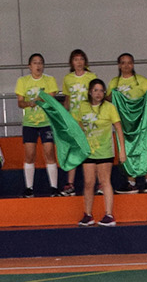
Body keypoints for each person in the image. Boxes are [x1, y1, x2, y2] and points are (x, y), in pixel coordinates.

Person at [72, 78, 123, 227]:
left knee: (105, 181)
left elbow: (118, 128)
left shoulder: (109, 107)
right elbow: (76, 123)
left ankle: (109, 215)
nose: (99, 93)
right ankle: (88, 214)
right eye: (95, 90)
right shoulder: (83, 106)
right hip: (88, 151)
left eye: (101, 91)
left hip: (105, 151)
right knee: (89, 182)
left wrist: (122, 151)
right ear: (90, 92)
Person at [14, 53, 59, 197]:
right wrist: (28, 103)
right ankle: (29, 188)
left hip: (47, 122)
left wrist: (38, 99)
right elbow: (20, 102)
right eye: (35, 63)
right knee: (29, 154)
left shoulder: (49, 80)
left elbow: (51, 99)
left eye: (40, 63)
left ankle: (54, 187)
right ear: (29, 66)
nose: (38, 66)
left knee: (49, 152)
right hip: (30, 123)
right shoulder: (22, 81)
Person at [108, 53, 147, 193]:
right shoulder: (114, 82)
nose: (126, 65)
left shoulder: (141, 80)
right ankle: (131, 182)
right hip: (124, 123)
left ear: (133, 64)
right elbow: (108, 99)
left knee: (146, 147)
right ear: (119, 65)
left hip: (141, 121)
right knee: (127, 149)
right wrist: (115, 96)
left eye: (129, 62)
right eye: (123, 62)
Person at [57, 49, 97, 197]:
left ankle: (97, 182)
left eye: (81, 59)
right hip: (73, 119)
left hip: (88, 119)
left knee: (93, 150)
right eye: (76, 59)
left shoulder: (91, 77)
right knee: (73, 149)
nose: (79, 62)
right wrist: (62, 115)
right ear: (71, 63)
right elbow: (67, 100)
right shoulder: (68, 78)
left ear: (85, 61)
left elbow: (96, 97)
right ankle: (70, 184)